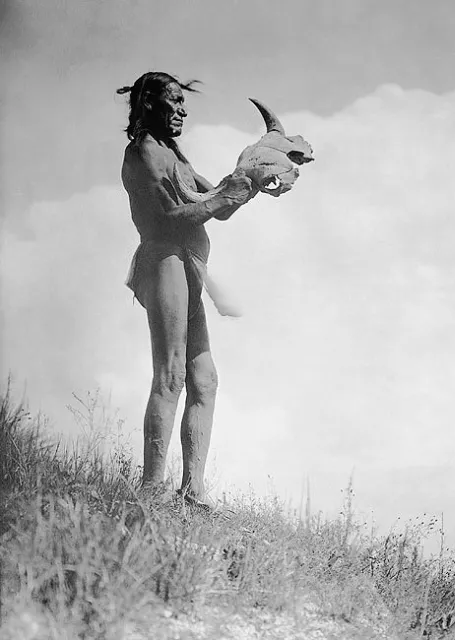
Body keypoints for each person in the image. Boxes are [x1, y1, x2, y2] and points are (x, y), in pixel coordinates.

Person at [117, 71, 256, 508]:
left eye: (183, 101)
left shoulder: (173, 153)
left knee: (204, 379)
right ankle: (152, 489)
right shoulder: (142, 153)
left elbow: (216, 199)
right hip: (163, 261)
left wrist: (255, 177)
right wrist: (222, 198)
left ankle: (192, 491)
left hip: (189, 265)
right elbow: (169, 217)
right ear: (149, 104)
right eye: (173, 100)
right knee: (172, 374)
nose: (182, 109)